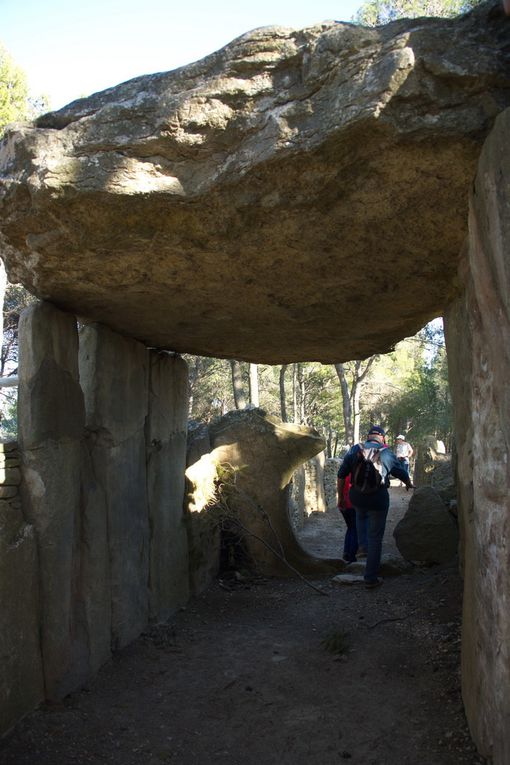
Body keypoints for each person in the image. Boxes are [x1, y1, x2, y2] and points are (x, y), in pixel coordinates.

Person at [337, 425, 413, 589]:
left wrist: (341, 497)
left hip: (356, 496)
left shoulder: (355, 449)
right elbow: (401, 473)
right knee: (376, 538)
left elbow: (341, 474)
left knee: (361, 516)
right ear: (383, 438)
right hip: (378, 498)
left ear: (368, 436)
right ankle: (371, 578)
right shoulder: (386, 452)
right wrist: (408, 483)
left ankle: (362, 545)